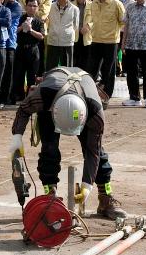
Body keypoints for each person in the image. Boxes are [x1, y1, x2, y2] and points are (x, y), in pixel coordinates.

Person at [10, 66, 125, 221]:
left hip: (84, 100)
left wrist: (86, 186)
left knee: (98, 152)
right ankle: (50, 195)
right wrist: (17, 137)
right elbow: (23, 109)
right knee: (49, 150)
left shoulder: (95, 112)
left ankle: (105, 197)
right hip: (53, 99)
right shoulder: (43, 96)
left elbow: (93, 152)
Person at [83, 0, 125, 99]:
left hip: (111, 42)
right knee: (92, 69)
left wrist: (115, 33)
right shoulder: (93, 3)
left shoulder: (117, 4)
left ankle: (106, 95)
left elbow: (123, 23)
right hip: (95, 41)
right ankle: (90, 94)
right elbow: (90, 19)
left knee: (109, 71)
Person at [13, 0, 45, 100]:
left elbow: (41, 36)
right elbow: (13, 31)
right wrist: (22, 27)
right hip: (21, 49)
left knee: (32, 76)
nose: (32, 8)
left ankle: (30, 98)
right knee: (18, 74)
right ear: (25, 6)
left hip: (33, 50)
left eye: (34, 6)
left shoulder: (39, 21)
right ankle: (19, 96)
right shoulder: (20, 18)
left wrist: (31, 30)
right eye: (30, 5)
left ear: (37, 7)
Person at [45, 0, 79, 70]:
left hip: (67, 41)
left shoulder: (75, 9)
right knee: (51, 68)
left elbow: (76, 25)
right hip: (53, 41)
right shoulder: (51, 7)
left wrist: (67, 32)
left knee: (67, 68)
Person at [0, 0, 22, 105]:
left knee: (8, 72)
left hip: (10, 43)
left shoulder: (17, 7)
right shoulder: (0, 3)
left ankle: (5, 98)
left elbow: (7, 20)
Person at [72, 0, 91, 70]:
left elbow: (97, 19)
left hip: (87, 35)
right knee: (75, 59)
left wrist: (88, 26)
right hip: (74, 35)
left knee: (86, 60)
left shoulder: (92, 5)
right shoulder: (71, 5)